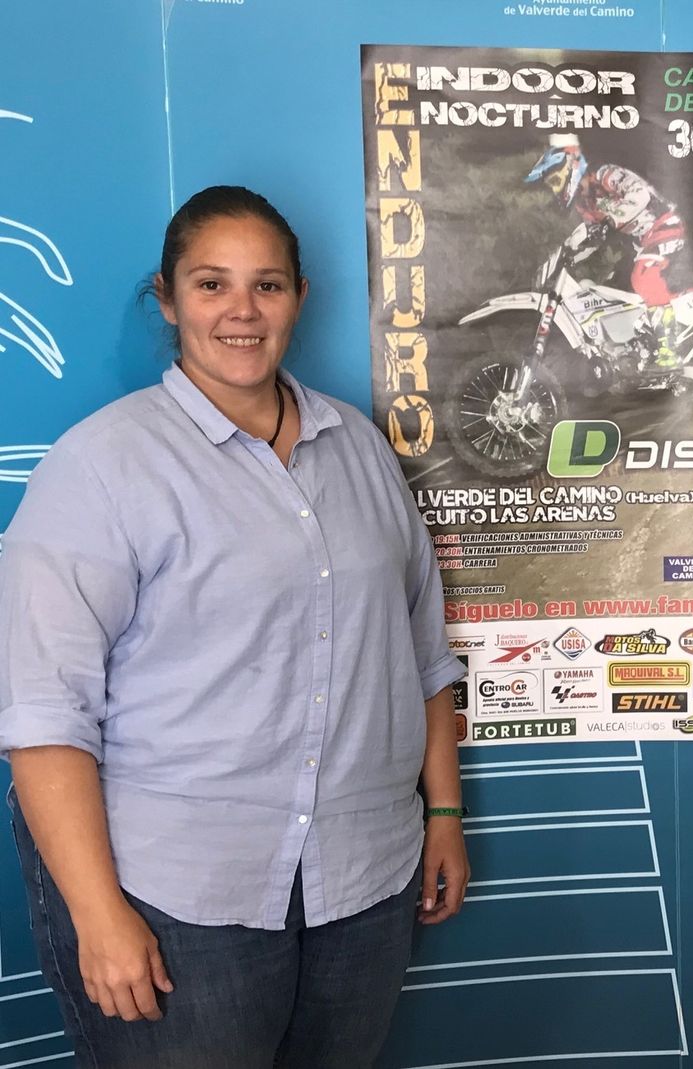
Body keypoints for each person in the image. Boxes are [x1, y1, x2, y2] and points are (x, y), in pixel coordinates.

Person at [0, 185, 470, 1067]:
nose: (242, 311)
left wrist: (443, 811)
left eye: (268, 285)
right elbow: (42, 715)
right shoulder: (102, 465)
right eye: (212, 285)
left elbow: (421, 652)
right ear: (169, 299)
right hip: (178, 901)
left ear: (299, 297)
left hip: (364, 884)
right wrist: (98, 916)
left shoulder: (362, 448)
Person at [525, 133, 689, 366]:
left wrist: (611, 218)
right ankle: (638, 352)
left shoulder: (605, 175)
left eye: (554, 180)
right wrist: (566, 255)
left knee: (643, 276)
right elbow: (593, 237)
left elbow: (640, 195)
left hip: (665, 226)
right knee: (611, 293)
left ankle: (669, 348)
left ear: (569, 165)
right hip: (641, 242)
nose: (554, 189)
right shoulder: (584, 203)